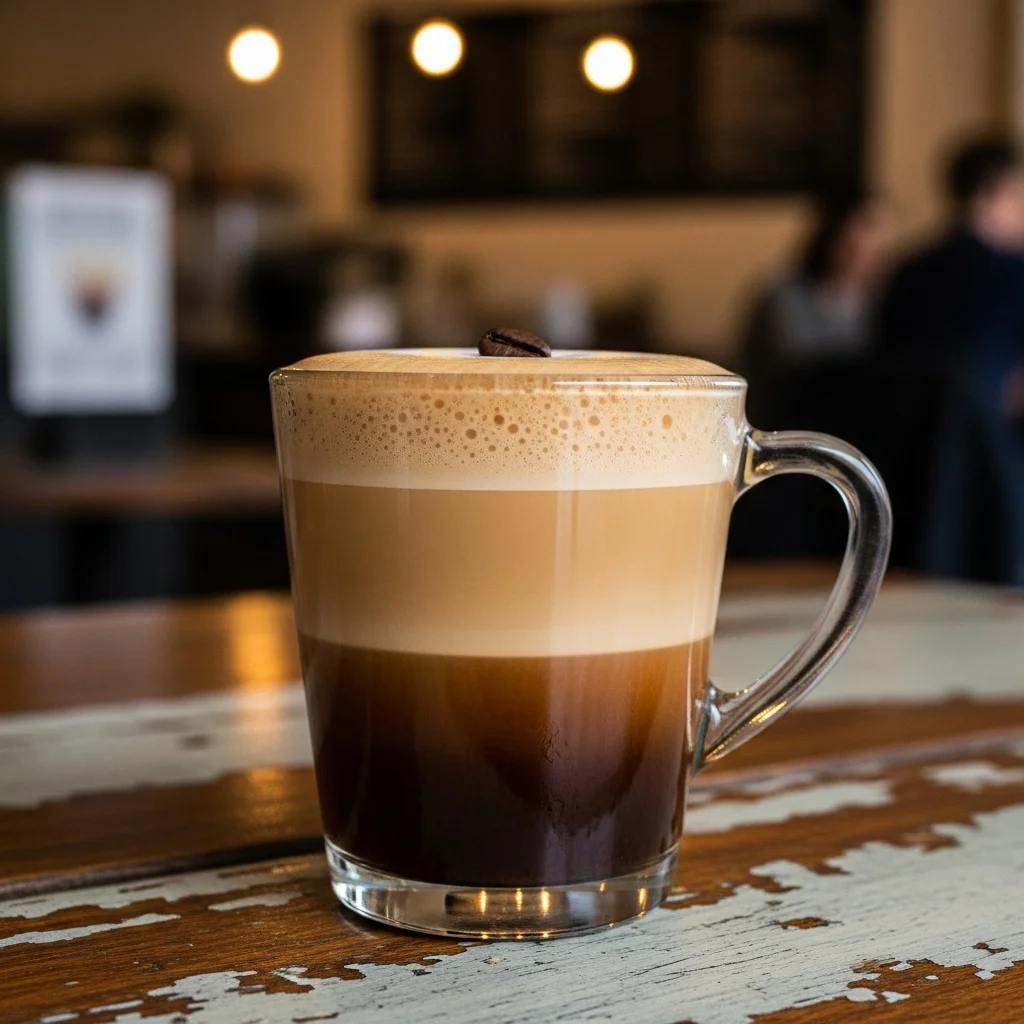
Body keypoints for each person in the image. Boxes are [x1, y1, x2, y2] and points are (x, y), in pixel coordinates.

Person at [876, 138, 1024, 418]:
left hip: (908, 445)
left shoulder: (906, 271)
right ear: (986, 195)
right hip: (994, 449)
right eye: (1016, 195)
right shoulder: (1015, 274)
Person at [739, 193, 894, 420]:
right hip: (789, 418)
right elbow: (797, 369)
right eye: (853, 246)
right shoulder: (785, 296)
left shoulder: (878, 305)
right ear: (832, 238)